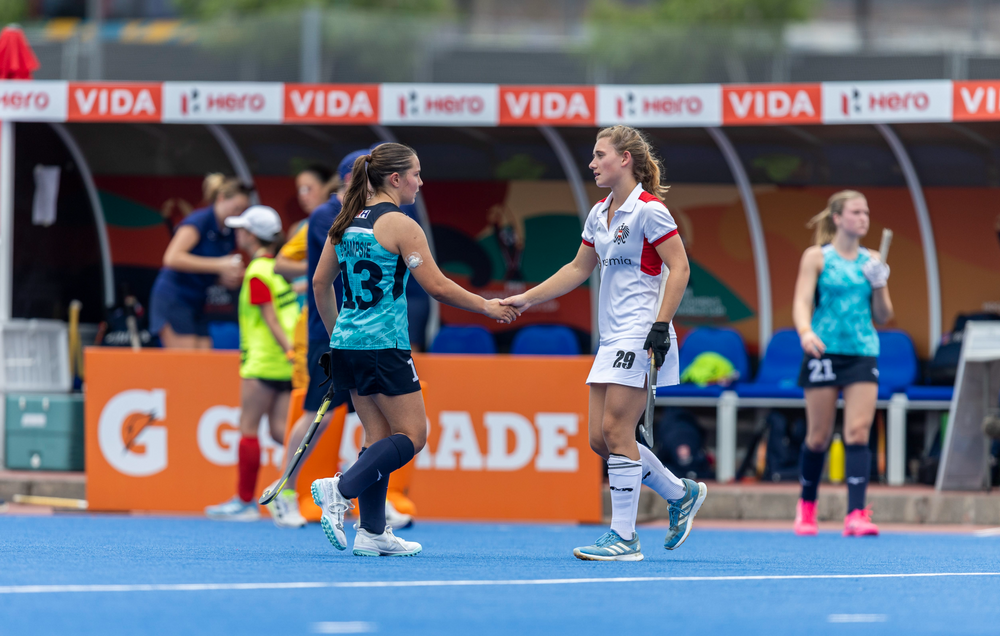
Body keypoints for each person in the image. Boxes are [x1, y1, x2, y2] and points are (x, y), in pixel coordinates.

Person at [501, 125, 706, 562]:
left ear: (625, 159)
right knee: (601, 439)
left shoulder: (650, 210)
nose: (592, 163)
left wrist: (660, 326)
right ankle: (680, 493)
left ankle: (624, 537)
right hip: (611, 337)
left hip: (641, 331)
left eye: (600, 155)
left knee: (616, 432)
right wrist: (527, 298)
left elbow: (681, 268)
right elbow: (578, 268)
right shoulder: (599, 213)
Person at [310, 142, 518, 557]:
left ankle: (372, 532)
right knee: (413, 435)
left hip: (348, 343)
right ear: (395, 179)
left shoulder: (345, 219)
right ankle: (341, 488)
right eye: (416, 175)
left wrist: (339, 336)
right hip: (384, 345)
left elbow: (319, 284)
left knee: (378, 437)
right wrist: (487, 306)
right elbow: (437, 287)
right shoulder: (401, 225)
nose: (421, 183)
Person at [792, 190, 893, 537]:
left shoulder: (872, 259)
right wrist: (805, 332)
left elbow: (884, 315)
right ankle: (807, 506)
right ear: (837, 218)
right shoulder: (817, 257)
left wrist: (880, 283)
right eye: (856, 212)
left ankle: (856, 513)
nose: (863, 218)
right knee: (818, 437)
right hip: (823, 350)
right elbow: (802, 301)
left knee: (858, 431)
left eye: (866, 212)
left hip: (862, 351)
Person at [205, 206, 299, 521]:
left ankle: (245, 503)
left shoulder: (257, 271)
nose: (238, 234)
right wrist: (291, 355)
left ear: (252, 235)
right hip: (284, 365)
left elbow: (270, 318)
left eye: (242, 229)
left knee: (248, 430)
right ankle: (331, 475)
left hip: (262, 363)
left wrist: (288, 350)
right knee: (281, 432)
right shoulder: (278, 270)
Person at [149, 174, 252, 348]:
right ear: (221, 199)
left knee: (204, 356)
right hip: (175, 297)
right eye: (236, 208)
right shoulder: (200, 220)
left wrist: (225, 277)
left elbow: (211, 270)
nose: (238, 213)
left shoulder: (229, 231)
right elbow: (172, 258)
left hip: (198, 302)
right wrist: (219, 265)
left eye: (243, 209)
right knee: (187, 360)